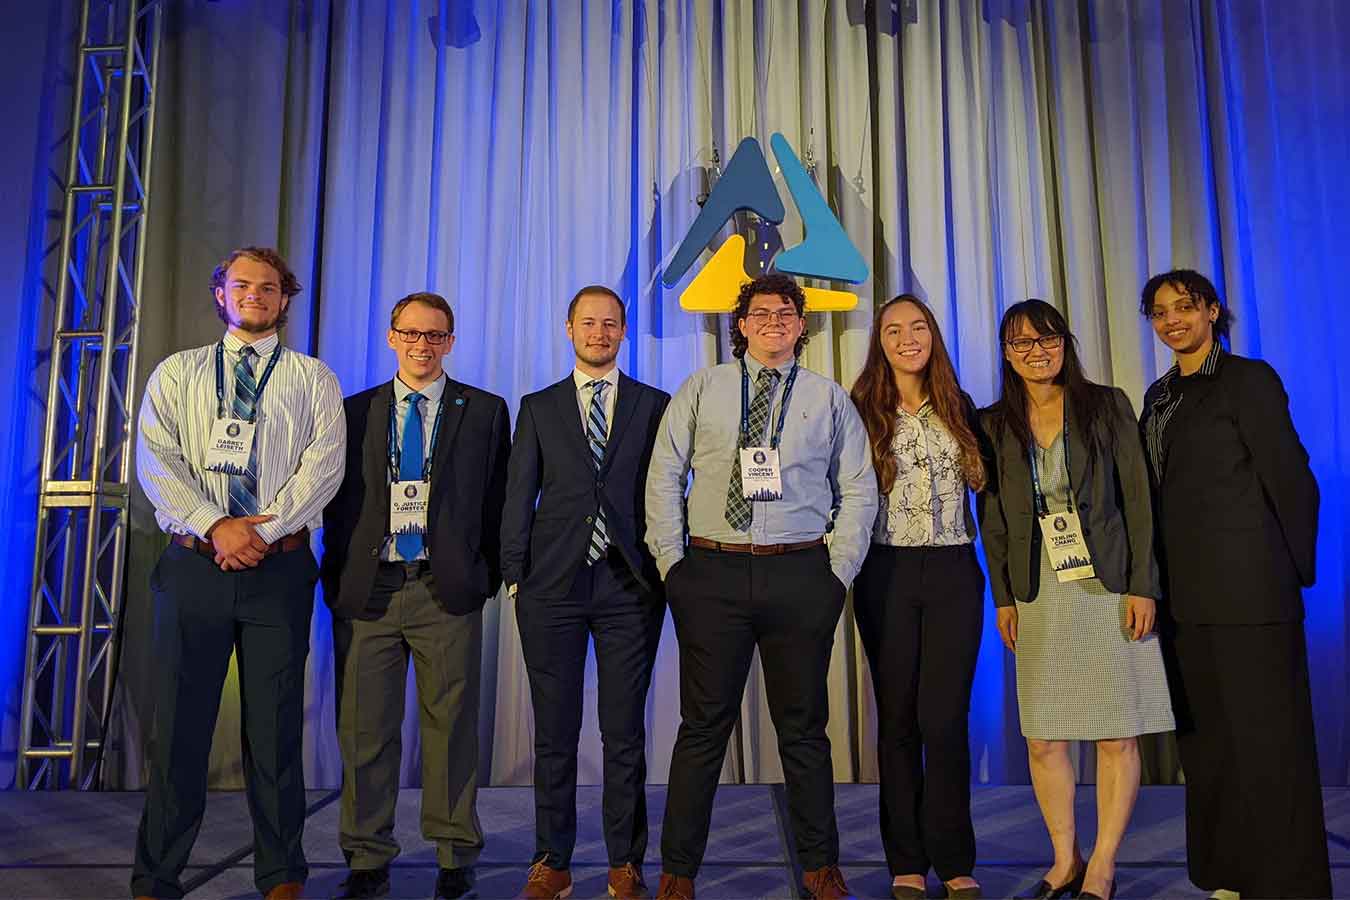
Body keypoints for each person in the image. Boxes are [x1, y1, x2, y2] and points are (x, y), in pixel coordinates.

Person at [645, 273, 877, 900]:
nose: (773, 321)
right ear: (739, 324)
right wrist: (674, 565)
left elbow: (858, 487)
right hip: (711, 575)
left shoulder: (827, 398)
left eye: (786, 313)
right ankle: (677, 872)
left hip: (801, 573)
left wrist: (838, 572)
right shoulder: (703, 388)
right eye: (759, 312)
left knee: (803, 730)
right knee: (702, 729)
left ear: (802, 326)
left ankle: (820, 867)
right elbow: (665, 475)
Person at [132, 247, 345, 900]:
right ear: (220, 293)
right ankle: (157, 875)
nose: (256, 294)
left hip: (277, 573)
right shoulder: (177, 374)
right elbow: (154, 460)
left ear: (286, 299)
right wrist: (215, 526)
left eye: (271, 286)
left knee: (275, 731)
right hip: (194, 567)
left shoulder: (312, 379)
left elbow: (325, 466)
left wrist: (263, 534)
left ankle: (281, 875)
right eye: (242, 284)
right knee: (179, 730)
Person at [1139, 270, 1330, 899]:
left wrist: (1286, 572)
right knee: (1210, 747)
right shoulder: (1159, 395)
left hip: (1253, 599)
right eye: (1160, 312)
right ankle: (1228, 872)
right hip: (1185, 603)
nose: (1172, 321)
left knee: (1269, 745)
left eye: (1184, 308)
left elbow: (1292, 479)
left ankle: (1289, 884)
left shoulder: (1250, 380)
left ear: (1213, 312)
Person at [979, 299, 1173, 900]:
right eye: (1022, 343)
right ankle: (1065, 858)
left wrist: (1144, 584)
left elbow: (1139, 500)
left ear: (1066, 343)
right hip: (1037, 591)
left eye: (1048, 339)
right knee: (1044, 735)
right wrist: (1004, 596)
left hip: (1108, 584)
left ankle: (1104, 864)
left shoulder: (1106, 404)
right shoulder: (994, 422)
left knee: (1117, 733)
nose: (1037, 352)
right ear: (1007, 354)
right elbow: (993, 520)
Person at [321, 292, 510, 900]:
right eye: (411, 334)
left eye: (435, 336)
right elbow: (337, 503)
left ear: (450, 342)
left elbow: (499, 500)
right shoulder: (354, 411)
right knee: (364, 731)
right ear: (391, 337)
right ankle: (367, 855)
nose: (422, 345)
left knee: (451, 729)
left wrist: (484, 575)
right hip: (370, 591)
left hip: (444, 589)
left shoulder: (483, 410)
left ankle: (455, 854)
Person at [501, 285, 671, 900]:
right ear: (568, 328)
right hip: (552, 585)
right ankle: (554, 859)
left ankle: (626, 862)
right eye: (588, 323)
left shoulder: (655, 405)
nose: (599, 333)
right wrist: (515, 571)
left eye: (610, 324)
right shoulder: (539, 406)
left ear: (623, 331)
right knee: (554, 730)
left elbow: (667, 489)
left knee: (623, 731)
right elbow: (520, 492)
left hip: (630, 582)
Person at [848, 295, 987, 899]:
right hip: (886, 573)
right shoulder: (857, 412)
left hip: (956, 571)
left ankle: (955, 859)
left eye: (919, 326)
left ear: (933, 335)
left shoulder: (962, 409)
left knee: (946, 719)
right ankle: (906, 859)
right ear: (879, 340)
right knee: (899, 719)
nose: (908, 337)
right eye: (893, 329)